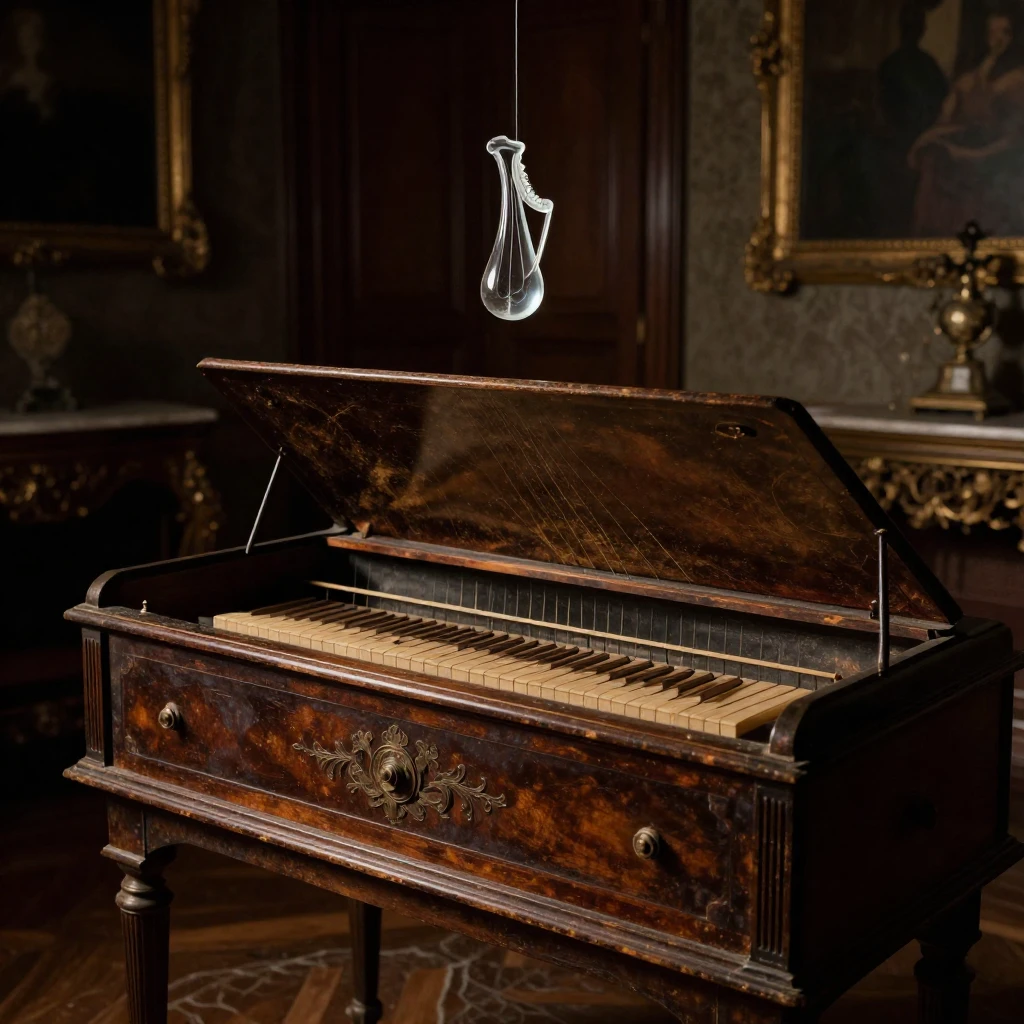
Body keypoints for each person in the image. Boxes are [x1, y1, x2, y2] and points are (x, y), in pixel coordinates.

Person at [908, 5, 1024, 236]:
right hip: (968, 149)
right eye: (993, 33)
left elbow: (1014, 140)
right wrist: (925, 140)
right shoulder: (969, 80)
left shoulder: (1017, 80)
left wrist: (971, 156)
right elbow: (949, 122)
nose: (998, 40)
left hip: (995, 157)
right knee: (934, 159)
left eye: (1005, 33)